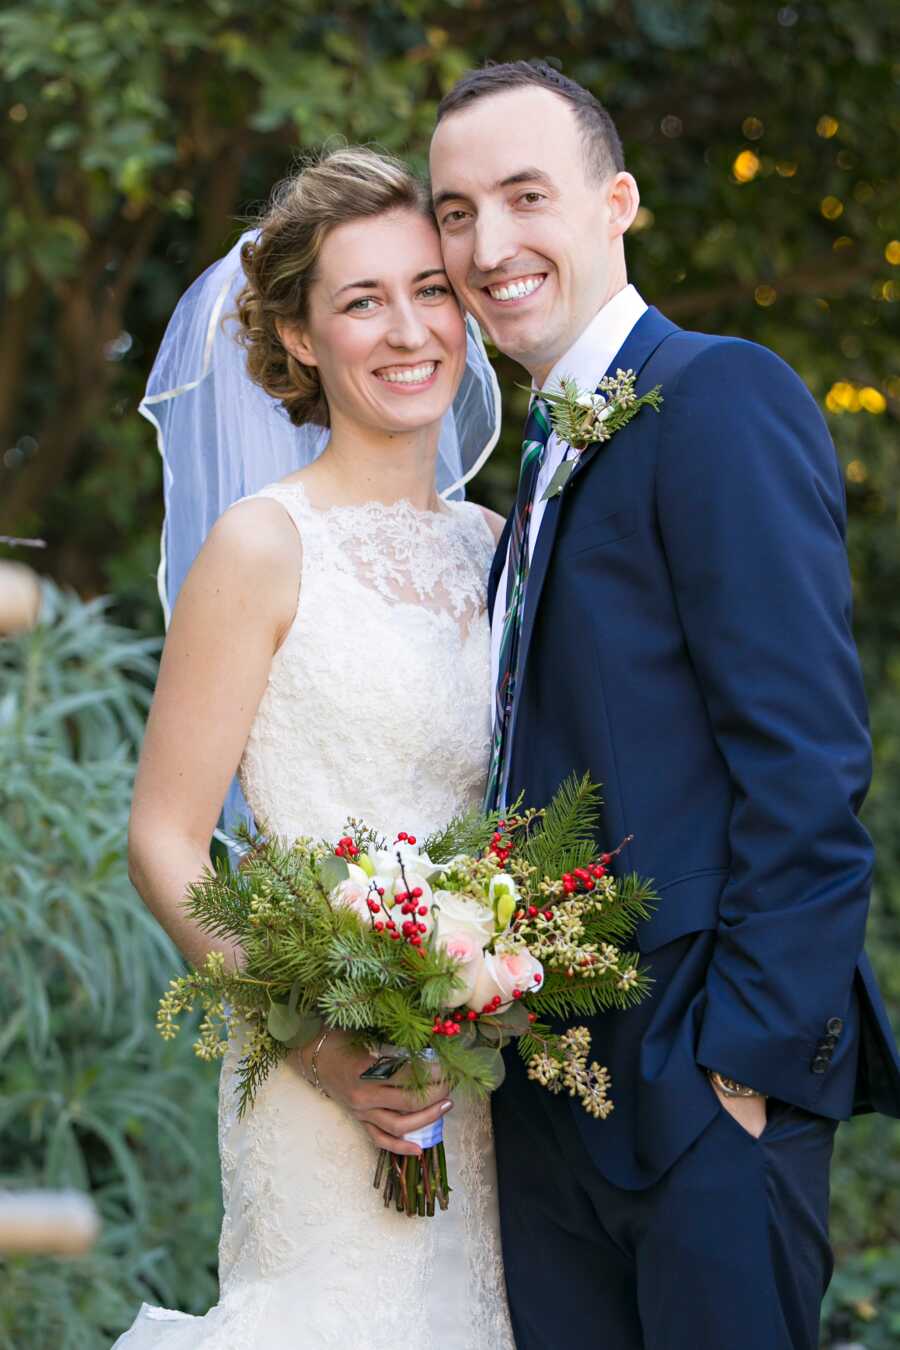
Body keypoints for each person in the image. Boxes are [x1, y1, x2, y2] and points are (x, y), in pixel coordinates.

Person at [429, 59, 900, 1350]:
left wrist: (740, 1066)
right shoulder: (537, 466)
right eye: (457, 212)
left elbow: (806, 764)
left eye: (527, 196)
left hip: (700, 1094)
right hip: (548, 1099)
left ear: (617, 201)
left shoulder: (719, 396)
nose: (489, 242)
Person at [114, 147, 515, 1349]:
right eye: (360, 300)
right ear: (297, 336)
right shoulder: (261, 546)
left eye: (430, 288)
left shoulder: (502, 544)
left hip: (495, 1091)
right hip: (324, 1090)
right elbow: (165, 838)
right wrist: (324, 1045)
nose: (409, 330)